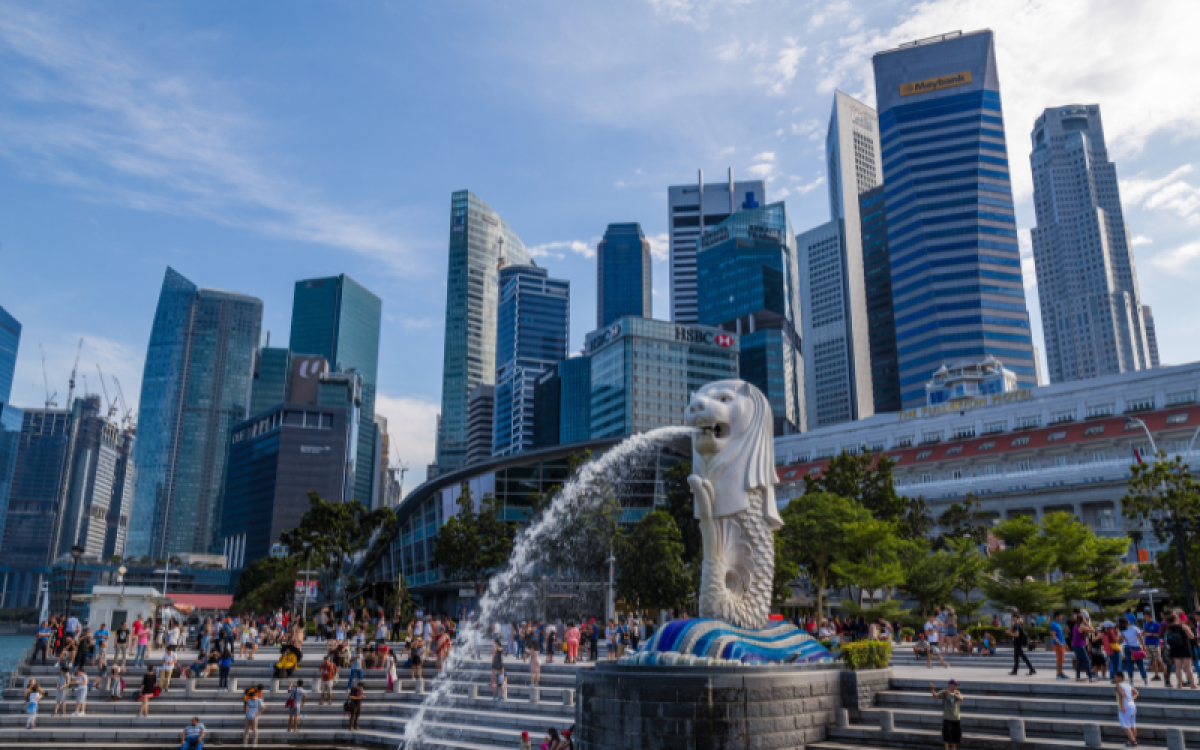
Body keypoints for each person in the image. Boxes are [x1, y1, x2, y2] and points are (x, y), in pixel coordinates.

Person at [1164, 612, 1197, 689]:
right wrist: (1190, 631)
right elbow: (1191, 636)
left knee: (1178, 667)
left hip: (1174, 649)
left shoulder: (1168, 628)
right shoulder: (1183, 626)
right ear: (1176, 619)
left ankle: (1179, 684)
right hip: (1185, 648)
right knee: (1188, 667)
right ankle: (1192, 684)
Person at [930, 679, 963, 750]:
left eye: (957, 685)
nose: (956, 686)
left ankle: (954, 748)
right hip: (947, 718)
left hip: (956, 718)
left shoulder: (958, 692)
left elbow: (961, 698)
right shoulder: (944, 692)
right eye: (955, 685)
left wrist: (954, 694)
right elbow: (935, 695)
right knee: (946, 736)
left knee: (955, 736)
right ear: (951, 685)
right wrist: (932, 690)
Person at [1120, 619, 1149, 687]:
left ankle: (1131, 681)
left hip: (1127, 648)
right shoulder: (1135, 628)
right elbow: (1140, 638)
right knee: (1140, 664)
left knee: (1129, 664)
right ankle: (1145, 681)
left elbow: (1123, 639)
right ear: (1128, 622)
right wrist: (1143, 646)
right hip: (1136, 648)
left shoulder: (1122, 630)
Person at [1113, 671, 1138, 747]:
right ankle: (1133, 740)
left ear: (1120, 678)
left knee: (1125, 725)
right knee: (1132, 724)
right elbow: (1136, 692)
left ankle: (1132, 741)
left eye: (1116, 677)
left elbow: (1122, 695)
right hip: (1132, 705)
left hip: (1125, 706)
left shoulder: (1118, 685)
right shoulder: (1128, 684)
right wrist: (1132, 699)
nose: (1115, 678)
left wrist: (1122, 706)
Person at [1072, 610, 1096, 683]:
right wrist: (1087, 624)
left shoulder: (1076, 626)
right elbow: (1093, 630)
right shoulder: (1082, 627)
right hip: (1079, 646)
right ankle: (1091, 678)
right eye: (1084, 619)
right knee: (1087, 661)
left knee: (1079, 661)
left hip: (1075, 645)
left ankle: (1078, 678)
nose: (1085, 620)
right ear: (1082, 620)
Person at [1144, 613, 1165, 683]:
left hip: (1155, 643)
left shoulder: (1156, 624)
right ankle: (1156, 675)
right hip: (1148, 643)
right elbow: (1145, 632)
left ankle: (1165, 674)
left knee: (1159, 659)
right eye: (1145, 617)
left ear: (1150, 617)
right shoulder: (1146, 624)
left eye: (1146, 616)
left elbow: (1160, 634)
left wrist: (1151, 634)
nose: (1145, 618)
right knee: (1152, 660)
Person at [1050, 612, 1067, 680]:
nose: (1061, 618)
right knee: (1059, 659)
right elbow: (1054, 636)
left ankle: (1061, 673)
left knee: (1061, 659)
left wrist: (1064, 643)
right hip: (1057, 644)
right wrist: (1059, 643)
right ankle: (1059, 674)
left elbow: (1061, 635)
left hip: (1061, 644)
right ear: (1056, 617)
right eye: (1060, 616)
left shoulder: (1058, 624)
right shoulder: (1054, 624)